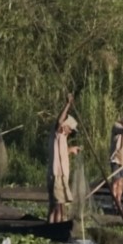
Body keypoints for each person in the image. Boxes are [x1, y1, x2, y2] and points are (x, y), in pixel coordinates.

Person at [48, 94, 82, 224]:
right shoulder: (58, 133)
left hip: (61, 176)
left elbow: (60, 153)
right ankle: (55, 228)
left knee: (57, 206)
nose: (71, 132)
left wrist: (71, 150)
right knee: (57, 206)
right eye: (70, 128)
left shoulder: (62, 138)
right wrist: (68, 104)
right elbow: (59, 120)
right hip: (57, 175)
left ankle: (53, 226)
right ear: (65, 125)